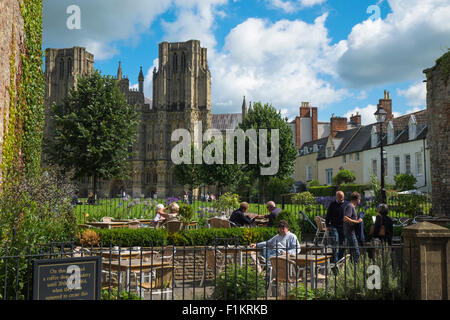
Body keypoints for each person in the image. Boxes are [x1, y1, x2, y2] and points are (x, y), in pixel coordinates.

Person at [325, 191, 346, 266]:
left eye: (342, 196)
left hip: (343, 226)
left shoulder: (346, 204)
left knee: (343, 243)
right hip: (334, 226)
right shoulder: (332, 204)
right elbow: (328, 215)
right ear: (336, 197)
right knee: (335, 241)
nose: (341, 198)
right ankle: (335, 260)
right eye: (339, 196)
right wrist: (327, 225)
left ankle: (340, 259)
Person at [343, 192, 363, 263]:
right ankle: (354, 269)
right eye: (360, 199)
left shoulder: (352, 206)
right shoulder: (350, 206)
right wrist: (357, 221)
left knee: (352, 253)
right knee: (356, 253)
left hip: (351, 232)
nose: (360, 201)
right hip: (350, 233)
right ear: (357, 199)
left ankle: (351, 269)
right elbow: (345, 218)